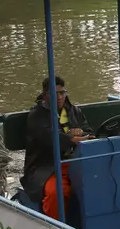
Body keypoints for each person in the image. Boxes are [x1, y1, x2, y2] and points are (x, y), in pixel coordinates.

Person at [22, 76, 92, 220]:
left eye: (62, 93)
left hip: (74, 161)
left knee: (99, 181)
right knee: (56, 192)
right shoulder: (36, 115)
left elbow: (89, 131)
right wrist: (73, 138)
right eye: (54, 94)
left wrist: (82, 133)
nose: (59, 97)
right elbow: (52, 138)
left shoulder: (74, 111)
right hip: (45, 167)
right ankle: (54, 227)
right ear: (44, 95)